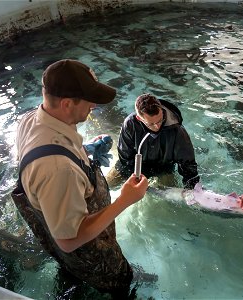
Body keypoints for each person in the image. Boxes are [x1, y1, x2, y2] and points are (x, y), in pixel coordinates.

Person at [11, 59, 149, 293]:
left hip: (58, 229)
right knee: (120, 283)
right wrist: (125, 199)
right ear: (66, 104)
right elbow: (69, 240)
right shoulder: (58, 169)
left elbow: (48, 161)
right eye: (89, 100)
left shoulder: (32, 119)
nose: (94, 105)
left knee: (72, 271)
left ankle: (73, 279)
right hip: (85, 250)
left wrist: (84, 152)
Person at [108, 93, 200, 189]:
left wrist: (192, 187)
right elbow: (125, 156)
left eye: (160, 120)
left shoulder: (176, 129)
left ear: (162, 111)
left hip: (163, 169)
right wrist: (135, 176)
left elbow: (188, 163)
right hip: (135, 166)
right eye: (151, 124)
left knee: (167, 200)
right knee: (108, 186)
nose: (157, 126)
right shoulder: (130, 124)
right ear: (139, 118)